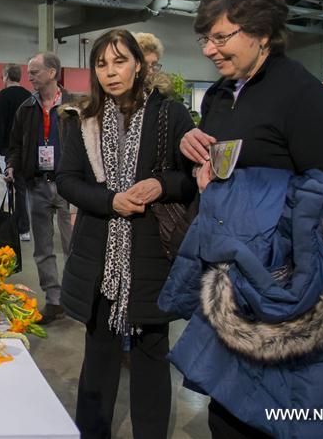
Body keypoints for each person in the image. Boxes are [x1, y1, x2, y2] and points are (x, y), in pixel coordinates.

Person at [176, 0, 323, 437]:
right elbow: (221, 166)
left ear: (261, 33)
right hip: (230, 283)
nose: (209, 50)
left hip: (282, 288)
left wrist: (280, 262)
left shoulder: (299, 93)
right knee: (228, 411)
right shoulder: (219, 95)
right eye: (205, 39)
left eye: (221, 38)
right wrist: (193, 150)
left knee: (281, 412)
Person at [57, 29, 195, 439]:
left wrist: (161, 185)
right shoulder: (85, 120)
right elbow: (66, 180)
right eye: (102, 64)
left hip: (152, 255)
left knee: (153, 354)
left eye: (120, 61)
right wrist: (109, 201)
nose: (111, 72)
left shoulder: (169, 113)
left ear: (139, 63)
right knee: (98, 353)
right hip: (98, 254)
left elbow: (191, 180)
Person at [6, 52, 78, 324]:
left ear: (52, 73)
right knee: (42, 248)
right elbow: (15, 145)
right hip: (37, 185)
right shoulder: (25, 108)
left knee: (74, 246)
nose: (30, 77)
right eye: (29, 72)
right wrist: (13, 165)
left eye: (34, 71)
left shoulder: (76, 106)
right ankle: (54, 300)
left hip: (69, 187)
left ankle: (73, 297)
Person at [0, 64, 32, 241]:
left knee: (4, 187)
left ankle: (5, 225)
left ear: (7, 76)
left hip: (7, 149)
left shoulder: (3, 95)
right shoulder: (28, 95)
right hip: (25, 149)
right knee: (21, 189)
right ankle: (24, 229)